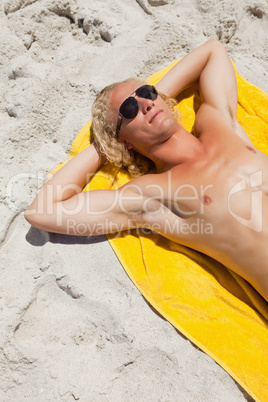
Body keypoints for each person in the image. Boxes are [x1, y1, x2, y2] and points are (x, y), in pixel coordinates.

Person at [24, 40, 268, 301]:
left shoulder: (217, 123)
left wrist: (156, 96)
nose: (145, 104)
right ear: (124, 141)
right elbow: (41, 212)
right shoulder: (152, 195)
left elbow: (213, 51)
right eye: (129, 110)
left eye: (147, 93)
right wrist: (103, 146)